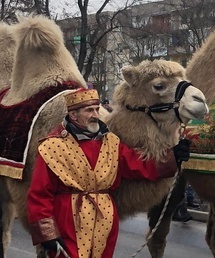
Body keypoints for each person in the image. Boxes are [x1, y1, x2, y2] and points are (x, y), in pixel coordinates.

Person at [27, 88, 190, 258]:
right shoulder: (52, 147)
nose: (95, 115)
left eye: (97, 109)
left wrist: (173, 156)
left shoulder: (111, 142)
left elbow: (137, 165)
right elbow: (39, 194)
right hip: (69, 221)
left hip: (104, 222)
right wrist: (47, 233)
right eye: (89, 110)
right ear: (73, 115)